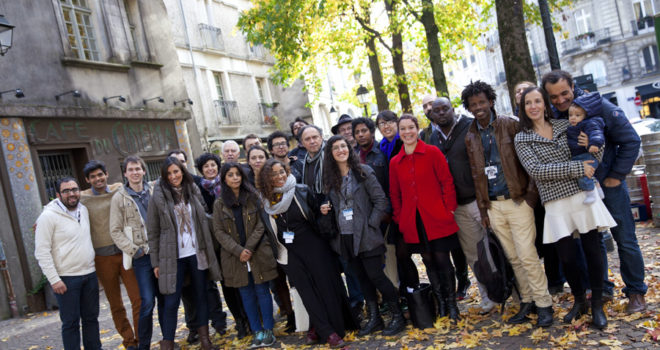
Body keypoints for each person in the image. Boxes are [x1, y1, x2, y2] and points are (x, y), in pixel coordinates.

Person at [542, 70, 646, 312]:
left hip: (608, 184)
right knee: (593, 241)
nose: (560, 100)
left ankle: (636, 291)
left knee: (625, 238)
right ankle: (602, 289)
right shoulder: (555, 115)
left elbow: (631, 140)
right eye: (553, 96)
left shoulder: (599, 106)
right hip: (581, 187)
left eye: (564, 93)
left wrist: (616, 176)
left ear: (573, 86)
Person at [514, 86, 616, 329]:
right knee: (568, 257)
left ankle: (597, 304)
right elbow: (537, 171)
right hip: (555, 201)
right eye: (529, 103)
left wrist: (593, 152)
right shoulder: (522, 138)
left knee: (592, 249)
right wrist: (577, 168)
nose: (534, 106)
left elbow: (593, 147)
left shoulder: (565, 125)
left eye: (538, 101)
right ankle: (579, 300)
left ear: (545, 104)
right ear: (524, 108)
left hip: (582, 195)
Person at [462, 81, 553, 327]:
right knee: (513, 257)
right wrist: (483, 209)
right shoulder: (470, 135)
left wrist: (531, 197)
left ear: (491, 101)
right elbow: (475, 173)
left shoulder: (511, 124)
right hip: (493, 205)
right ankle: (527, 301)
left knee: (527, 254)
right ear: (469, 108)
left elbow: (530, 160)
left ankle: (544, 304)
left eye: (482, 102)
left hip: (518, 200)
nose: (478, 107)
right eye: (473, 104)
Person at [258, 159, 357, 348]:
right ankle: (327, 332)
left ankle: (327, 328)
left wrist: (322, 211)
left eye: (282, 172)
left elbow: (317, 216)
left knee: (325, 287)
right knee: (307, 292)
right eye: (273, 174)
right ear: (266, 179)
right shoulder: (263, 201)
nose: (279, 177)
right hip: (288, 252)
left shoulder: (301, 190)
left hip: (314, 246)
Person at [320, 135, 405, 336]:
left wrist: (372, 224)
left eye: (344, 146)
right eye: (336, 148)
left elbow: (380, 200)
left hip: (367, 235)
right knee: (362, 279)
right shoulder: (330, 179)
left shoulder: (363, 171)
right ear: (330, 154)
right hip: (345, 237)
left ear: (349, 149)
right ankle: (375, 318)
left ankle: (397, 315)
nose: (341, 150)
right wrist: (325, 209)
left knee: (376, 276)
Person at [389, 114, 461, 323]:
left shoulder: (432, 152)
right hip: (413, 221)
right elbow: (395, 194)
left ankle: (452, 304)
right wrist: (400, 217)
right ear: (399, 132)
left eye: (410, 127)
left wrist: (449, 210)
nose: (407, 132)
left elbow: (447, 182)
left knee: (442, 260)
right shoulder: (395, 161)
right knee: (428, 261)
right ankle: (440, 304)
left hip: (437, 217)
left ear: (417, 129)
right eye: (402, 129)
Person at [424, 98, 495, 311]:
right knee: (474, 255)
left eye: (445, 108)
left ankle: (514, 292)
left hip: (479, 200)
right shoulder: (432, 138)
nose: (441, 113)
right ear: (432, 115)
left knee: (496, 249)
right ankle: (488, 297)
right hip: (457, 207)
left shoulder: (470, 127)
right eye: (437, 111)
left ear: (453, 109)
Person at [147, 157, 222, 350]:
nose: (174, 176)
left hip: (197, 253)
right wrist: (156, 262)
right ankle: (168, 344)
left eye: (176, 171)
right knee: (171, 300)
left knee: (201, 295)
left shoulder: (192, 189)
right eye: (169, 173)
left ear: (183, 171)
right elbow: (153, 231)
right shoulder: (158, 195)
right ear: (164, 176)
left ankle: (205, 340)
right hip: (172, 256)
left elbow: (204, 215)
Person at [213, 163, 278, 348]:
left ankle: (269, 330)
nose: (235, 178)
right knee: (246, 294)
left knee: (262, 291)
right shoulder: (219, 203)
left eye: (238, 174)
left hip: (257, 253)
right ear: (224, 178)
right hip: (235, 257)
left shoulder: (253, 197)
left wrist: (248, 248)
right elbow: (218, 231)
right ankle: (256, 331)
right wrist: (238, 250)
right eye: (230, 175)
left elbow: (261, 224)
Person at [35, 177, 101, 350]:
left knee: (91, 319)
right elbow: (41, 252)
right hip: (66, 279)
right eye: (66, 191)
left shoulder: (84, 210)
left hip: (89, 274)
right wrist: (54, 279)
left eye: (74, 189)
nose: (71, 194)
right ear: (58, 194)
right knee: (71, 323)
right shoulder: (48, 217)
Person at [171, 150, 231, 342]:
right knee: (187, 290)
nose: (177, 169)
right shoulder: (178, 187)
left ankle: (218, 322)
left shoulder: (194, 184)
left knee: (210, 285)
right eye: (174, 165)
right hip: (188, 247)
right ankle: (194, 326)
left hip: (210, 241)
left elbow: (202, 211)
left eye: (181, 163)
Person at [81, 160, 140, 350]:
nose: (97, 179)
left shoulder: (119, 189)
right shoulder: (83, 198)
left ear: (106, 174)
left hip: (125, 252)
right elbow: (59, 203)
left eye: (100, 175)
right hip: (102, 257)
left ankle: (142, 337)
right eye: (93, 177)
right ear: (87, 180)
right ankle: (129, 341)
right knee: (116, 303)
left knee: (137, 299)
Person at [418, 98, 472, 303]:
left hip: (466, 198)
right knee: (446, 248)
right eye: (428, 107)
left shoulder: (465, 126)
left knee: (465, 248)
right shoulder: (427, 135)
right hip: (440, 203)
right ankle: (447, 296)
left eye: (442, 108)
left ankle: (464, 281)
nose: (434, 111)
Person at [110, 156, 163, 350]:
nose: (135, 172)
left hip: (160, 253)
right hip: (141, 256)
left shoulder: (154, 190)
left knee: (165, 298)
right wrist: (135, 250)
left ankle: (167, 340)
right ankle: (144, 345)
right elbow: (115, 230)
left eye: (138, 169)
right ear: (125, 173)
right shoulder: (119, 197)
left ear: (143, 171)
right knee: (146, 302)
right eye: (130, 169)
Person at [376, 110, 420, 302]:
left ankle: (417, 293)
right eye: (381, 124)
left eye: (389, 122)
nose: (386, 126)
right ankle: (408, 295)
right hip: (392, 209)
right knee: (399, 254)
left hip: (410, 205)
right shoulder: (380, 148)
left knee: (412, 253)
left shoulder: (404, 144)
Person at [567, 93, 606, 204]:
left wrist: (594, 144)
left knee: (583, 175)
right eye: (570, 115)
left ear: (585, 116)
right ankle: (598, 190)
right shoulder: (573, 127)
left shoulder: (589, 123)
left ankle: (591, 194)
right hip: (579, 156)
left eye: (577, 115)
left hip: (586, 156)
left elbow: (596, 133)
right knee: (589, 174)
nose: (573, 118)